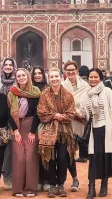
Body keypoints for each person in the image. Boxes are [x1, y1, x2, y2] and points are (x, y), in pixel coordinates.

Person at [79, 68, 112, 199]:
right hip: (93, 130)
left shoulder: (107, 91)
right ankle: (91, 188)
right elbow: (82, 112)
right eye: (90, 77)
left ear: (101, 78)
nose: (93, 79)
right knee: (93, 159)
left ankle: (104, 185)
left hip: (106, 129)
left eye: (95, 77)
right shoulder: (86, 94)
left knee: (105, 158)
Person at [37, 68, 76, 198]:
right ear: (49, 79)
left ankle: (61, 185)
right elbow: (41, 113)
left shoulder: (68, 95)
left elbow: (71, 114)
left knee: (63, 159)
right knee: (50, 159)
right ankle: (52, 186)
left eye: (56, 76)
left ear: (61, 77)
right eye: (51, 77)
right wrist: (55, 115)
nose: (54, 79)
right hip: (48, 132)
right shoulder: (44, 94)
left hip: (64, 132)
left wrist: (61, 117)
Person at [8, 68, 41, 197]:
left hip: (31, 126)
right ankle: (17, 189)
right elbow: (8, 113)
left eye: (23, 75)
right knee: (19, 157)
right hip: (16, 126)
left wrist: (32, 132)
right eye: (18, 76)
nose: (21, 78)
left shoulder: (36, 92)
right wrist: (15, 130)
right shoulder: (12, 93)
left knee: (30, 157)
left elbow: (37, 113)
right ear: (16, 78)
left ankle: (31, 188)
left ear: (28, 77)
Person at [62, 61, 89, 186]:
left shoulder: (86, 86)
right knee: (69, 153)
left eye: (73, 69)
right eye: (68, 70)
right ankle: (75, 179)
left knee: (90, 152)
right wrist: (74, 113)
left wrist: (81, 114)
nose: (71, 72)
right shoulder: (62, 86)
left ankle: (92, 181)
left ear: (77, 71)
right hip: (68, 124)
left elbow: (89, 104)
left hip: (83, 123)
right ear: (65, 72)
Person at [0, 57, 17, 190]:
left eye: (11, 65)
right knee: (0, 151)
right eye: (6, 64)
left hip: (14, 122)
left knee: (11, 152)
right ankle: (3, 177)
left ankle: (10, 178)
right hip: (0, 121)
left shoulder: (18, 82)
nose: (8, 67)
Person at [31, 66, 50, 191]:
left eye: (40, 73)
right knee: (35, 153)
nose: (37, 75)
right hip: (32, 124)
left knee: (46, 152)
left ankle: (47, 179)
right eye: (35, 73)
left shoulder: (47, 89)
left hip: (46, 123)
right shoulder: (29, 89)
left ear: (43, 74)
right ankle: (37, 179)